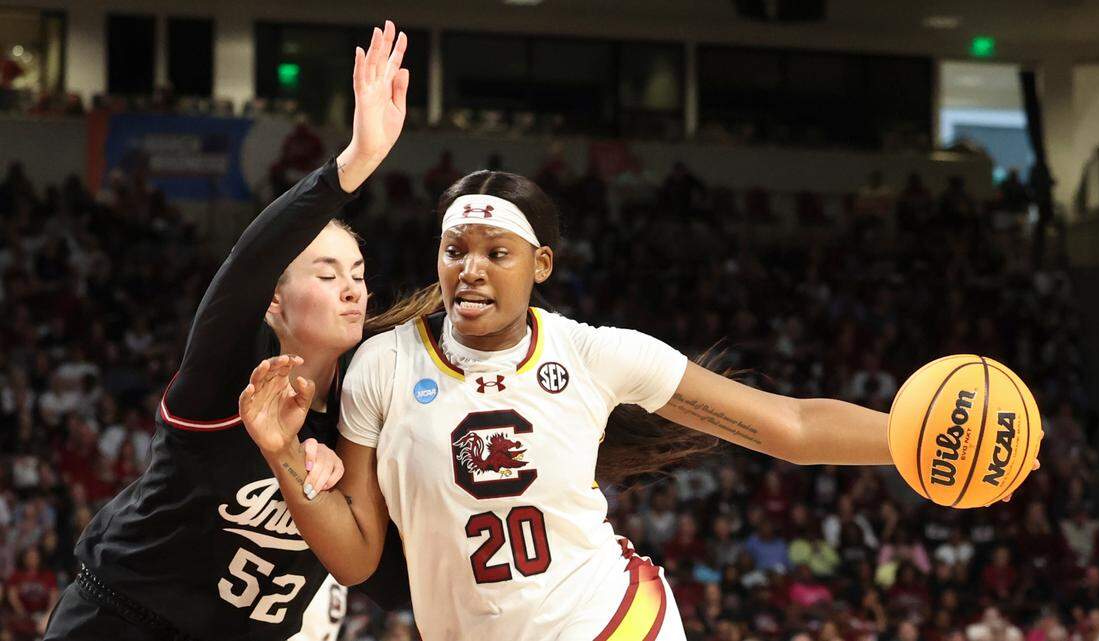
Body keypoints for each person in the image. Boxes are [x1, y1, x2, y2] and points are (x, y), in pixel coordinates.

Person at [238, 120, 1040, 641]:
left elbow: (785, 425)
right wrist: (281, 454)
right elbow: (355, 555)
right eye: (456, 250)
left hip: (611, 624)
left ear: (540, 265)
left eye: (496, 251)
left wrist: (918, 444)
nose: (470, 270)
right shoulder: (384, 365)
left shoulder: (597, 355)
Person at [44, 22, 412, 641]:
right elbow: (247, 263)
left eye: (358, 273)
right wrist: (355, 163)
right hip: (121, 621)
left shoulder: (360, 421)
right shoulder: (225, 380)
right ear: (274, 299)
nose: (352, 289)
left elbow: (383, 576)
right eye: (327, 275)